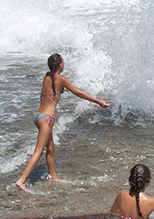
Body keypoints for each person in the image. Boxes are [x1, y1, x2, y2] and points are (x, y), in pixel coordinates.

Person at [15, 53, 110, 191]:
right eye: (63, 61)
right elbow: (79, 93)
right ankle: (22, 180)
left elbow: (53, 90)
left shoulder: (48, 76)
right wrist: (98, 101)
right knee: (38, 150)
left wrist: (62, 90)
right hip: (47, 120)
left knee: (51, 147)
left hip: (39, 116)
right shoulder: (61, 79)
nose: (64, 63)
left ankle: (53, 175)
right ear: (60, 65)